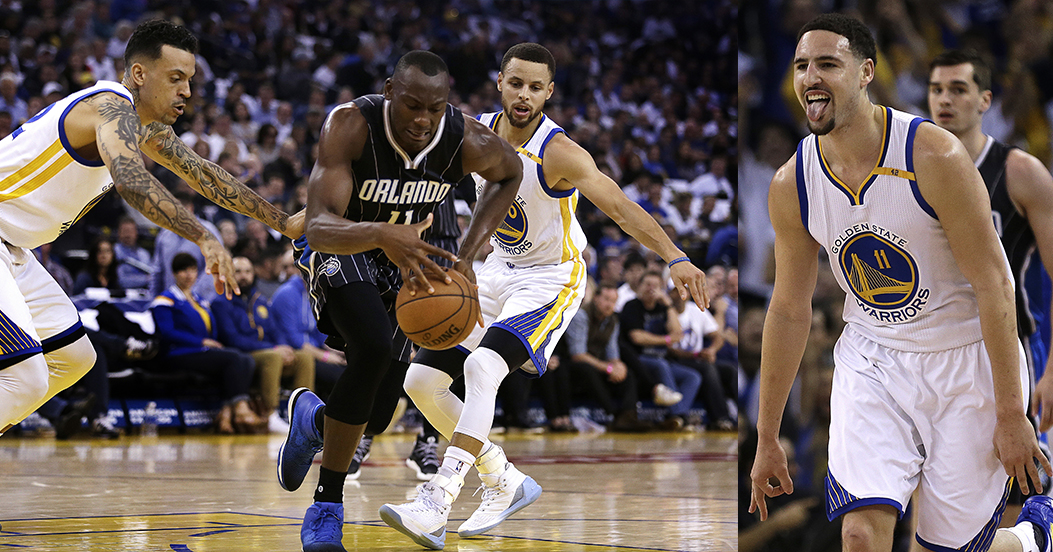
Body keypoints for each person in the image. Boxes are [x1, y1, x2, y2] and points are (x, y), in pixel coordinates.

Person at [378, 43, 707, 549]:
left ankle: (437, 500)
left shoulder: (561, 153)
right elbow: (429, 185)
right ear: (500, 83)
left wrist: (675, 256)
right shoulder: (473, 133)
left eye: (536, 87)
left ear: (549, 93)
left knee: (481, 368)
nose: (524, 94)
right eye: (516, 83)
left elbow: (619, 206)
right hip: (495, 270)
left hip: (551, 278)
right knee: (420, 380)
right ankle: (503, 479)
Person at [748, 13, 1053, 552]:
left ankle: (1030, 536)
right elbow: (789, 309)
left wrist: (1011, 413)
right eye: (801, 66)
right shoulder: (791, 182)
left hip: (964, 360)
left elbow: (995, 285)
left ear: (867, 72)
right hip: (873, 358)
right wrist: (767, 436)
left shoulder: (934, 156)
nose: (810, 77)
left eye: (827, 64)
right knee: (861, 536)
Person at [0, 20, 301, 436]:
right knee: (26, 378)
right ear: (140, 74)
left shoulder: (143, 126)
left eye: (190, 80)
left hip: (14, 248)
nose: (187, 92)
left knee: (75, 360)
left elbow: (203, 173)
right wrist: (203, 236)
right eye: (176, 78)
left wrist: (283, 222)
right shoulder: (110, 107)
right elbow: (131, 180)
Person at [273, 50, 523, 552]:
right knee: (367, 347)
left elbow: (510, 173)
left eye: (434, 108)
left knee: (379, 411)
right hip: (343, 245)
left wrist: (468, 257)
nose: (422, 120)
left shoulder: (463, 138)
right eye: (412, 106)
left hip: (403, 264)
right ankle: (327, 507)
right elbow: (317, 226)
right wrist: (383, 233)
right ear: (390, 90)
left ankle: (313, 422)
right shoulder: (350, 124)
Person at [928, 48, 1053, 522]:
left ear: (984, 101)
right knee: (934, 509)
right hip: (931, 353)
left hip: (1006, 349)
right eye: (937, 89)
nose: (945, 100)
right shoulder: (913, 169)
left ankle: (1033, 534)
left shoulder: (1019, 172)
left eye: (958, 89)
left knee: (1010, 494)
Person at [150, 253, 261, 434]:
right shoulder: (165, 300)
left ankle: (225, 413)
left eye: (192, 270)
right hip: (178, 353)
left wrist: (211, 342)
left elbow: (211, 328)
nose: (189, 275)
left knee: (245, 359)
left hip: (201, 350)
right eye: (183, 270)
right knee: (234, 359)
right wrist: (201, 341)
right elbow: (167, 332)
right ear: (175, 273)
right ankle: (239, 409)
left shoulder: (199, 300)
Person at [211, 256, 315, 433]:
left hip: (270, 352)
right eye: (238, 272)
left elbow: (276, 331)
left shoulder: (259, 300)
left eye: (247, 272)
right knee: (273, 357)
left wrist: (285, 348)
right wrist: (274, 349)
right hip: (244, 355)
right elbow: (232, 339)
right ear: (228, 274)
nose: (243, 276)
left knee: (304, 357)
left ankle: (303, 414)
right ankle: (271, 414)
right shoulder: (220, 302)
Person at [620, 270, 703, 430]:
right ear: (640, 287)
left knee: (693, 377)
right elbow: (637, 337)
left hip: (662, 358)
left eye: (656, 286)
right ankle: (680, 416)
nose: (651, 288)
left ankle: (674, 417)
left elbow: (678, 334)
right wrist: (665, 339)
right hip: (639, 358)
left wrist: (668, 304)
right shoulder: (631, 306)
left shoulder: (663, 307)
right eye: (648, 284)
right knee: (661, 365)